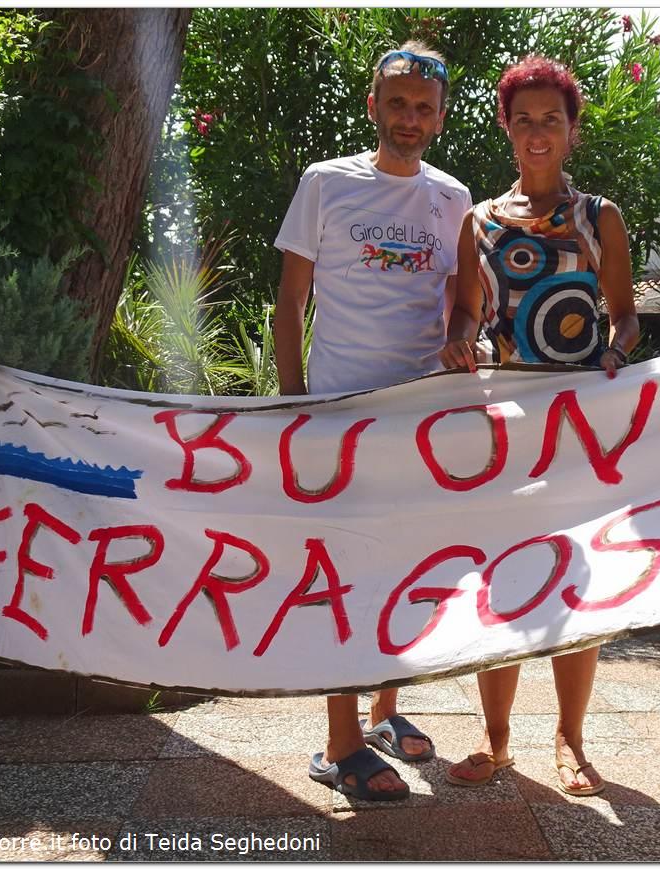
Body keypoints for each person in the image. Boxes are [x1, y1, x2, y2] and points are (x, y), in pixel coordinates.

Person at [273, 41, 472, 802]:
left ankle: (387, 714)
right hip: (339, 417)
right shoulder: (326, 183)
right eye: (398, 103)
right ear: (373, 107)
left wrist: (463, 334)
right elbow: (291, 300)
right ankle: (340, 742)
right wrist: (295, 403)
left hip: (422, 424)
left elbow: (465, 301)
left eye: (424, 107)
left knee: (410, 576)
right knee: (345, 579)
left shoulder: (453, 199)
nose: (410, 118)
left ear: (442, 117)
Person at [438, 55, 639, 797]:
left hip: (580, 436)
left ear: (572, 129)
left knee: (574, 587)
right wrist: (459, 336)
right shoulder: (479, 222)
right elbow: (468, 310)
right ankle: (496, 740)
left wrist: (615, 352)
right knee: (501, 581)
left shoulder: (601, 218)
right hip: (502, 434)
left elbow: (624, 317)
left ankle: (571, 738)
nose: (537, 132)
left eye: (551, 119)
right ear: (505, 126)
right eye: (523, 119)